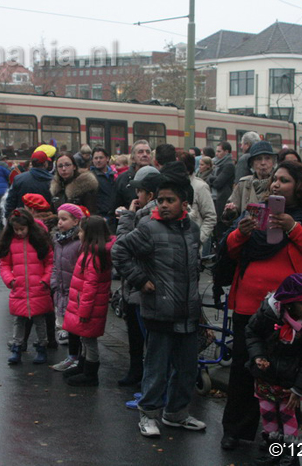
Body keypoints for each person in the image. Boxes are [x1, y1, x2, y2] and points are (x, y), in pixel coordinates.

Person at [219, 160, 302, 451]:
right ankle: (236, 430)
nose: (275, 184)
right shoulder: (258, 212)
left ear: (299, 186)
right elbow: (231, 252)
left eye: (283, 180)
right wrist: (241, 233)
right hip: (250, 306)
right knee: (244, 370)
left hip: (291, 313)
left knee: (285, 376)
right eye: (274, 180)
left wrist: (293, 227)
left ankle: (282, 436)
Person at [113, 180, 206, 438]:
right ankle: (148, 414)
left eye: (170, 200)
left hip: (187, 312)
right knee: (157, 368)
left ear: (184, 204)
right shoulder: (149, 229)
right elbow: (120, 250)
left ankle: (176, 414)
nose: (163, 205)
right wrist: (140, 280)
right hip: (159, 311)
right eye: (161, 200)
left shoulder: (193, 230)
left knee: (187, 369)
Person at [246, 273, 302, 466]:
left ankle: (290, 456)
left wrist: (299, 388)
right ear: (289, 304)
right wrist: (258, 356)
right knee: (268, 416)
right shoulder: (268, 314)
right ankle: (274, 451)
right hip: (267, 377)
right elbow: (252, 333)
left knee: (288, 418)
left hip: (290, 383)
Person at [114, 166, 163, 387]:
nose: (136, 196)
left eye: (140, 192)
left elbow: (123, 245)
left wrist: (127, 217)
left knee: (145, 337)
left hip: (142, 287)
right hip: (137, 286)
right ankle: (137, 373)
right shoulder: (143, 214)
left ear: (150, 195)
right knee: (136, 333)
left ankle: (146, 383)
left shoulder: (145, 218)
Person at [62, 216, 115, 387]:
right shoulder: (90, 252)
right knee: (85, 338)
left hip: (88, 308)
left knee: (89, 340)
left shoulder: (93, 256)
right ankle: (83, 367)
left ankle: (90, 374)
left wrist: (84, 311)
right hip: (85, 305)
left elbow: (90, 286)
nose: (79, 233)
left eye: (82, 231)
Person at [0, 209, 54, 365]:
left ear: (29, 226)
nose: (19, 232)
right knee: (18, 321)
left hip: (38, 287)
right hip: (20, 287)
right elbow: (5, 265)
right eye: (16, 230)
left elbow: (50, 263)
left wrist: (45, 280)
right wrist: (11, 280)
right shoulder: (10, 242)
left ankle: (42, 347)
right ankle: (17, 347)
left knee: (40, 321)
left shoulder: (39, 241)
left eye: (22, 229)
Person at [49, 203, 84, 370]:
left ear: (76, 221)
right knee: (69, 325)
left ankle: (79, 358)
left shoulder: (78, 243)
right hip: (62, 290)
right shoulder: (58, 241)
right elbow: (55, 264)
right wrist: (54, 283)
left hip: (76, 291)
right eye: (58, 219)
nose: (60, 223)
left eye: (64, 219)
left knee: (77, 327)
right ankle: (72, 357)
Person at [224, 140, 277, 218]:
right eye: (258, 159)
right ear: (252, 163)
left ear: (273, 162)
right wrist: (230, 212)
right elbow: (230, 218)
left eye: (267, 158)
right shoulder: (243, 183)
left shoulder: (278, 183)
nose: (263, 163)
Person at [181, 151, 217, 249]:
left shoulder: (200, 187)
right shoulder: (170, 187)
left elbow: (210, 216)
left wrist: (199, 239)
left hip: (193, 247)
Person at [208, 141, 236, 246]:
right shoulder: (216, 164)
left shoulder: (229, 165)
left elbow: (218, 183)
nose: (216, 154)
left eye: (219, 151)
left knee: (220, 227)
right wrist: (212, 179)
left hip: (222, 200)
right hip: (214, 199)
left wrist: (212, 179)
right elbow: (209, 180)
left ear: (226, 152)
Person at [114, 140, 153, 211]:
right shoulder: (122, 179)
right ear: (132, 158)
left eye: (148, 152)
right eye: (140, 152)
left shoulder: (157, 176)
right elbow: (114, 206)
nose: (145, 154)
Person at [89, 147, 116, 224]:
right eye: (96, 158)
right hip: (99, 217)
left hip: (113, 216)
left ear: (107, 159)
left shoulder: (115, 175)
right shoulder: (90, 177)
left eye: (101, 158)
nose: (98, 160)